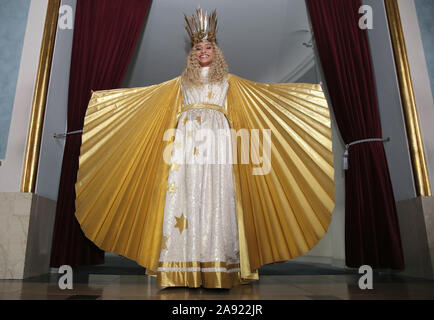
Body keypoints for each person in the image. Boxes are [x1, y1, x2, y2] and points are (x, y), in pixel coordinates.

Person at [74, 7, 335, 289]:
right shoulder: (180, 83)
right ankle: (181, 266)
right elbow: (144, 97)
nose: (203, 51)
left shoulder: (229, 81)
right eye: (198, 47)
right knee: (184, 193)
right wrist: (104, 101)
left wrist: (309, 93)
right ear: (192, 53)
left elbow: (267, 93)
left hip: (218, 142)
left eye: (208, 46)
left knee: (217, 195)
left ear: (216, 51)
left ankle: (219, 265)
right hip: (186, 142)